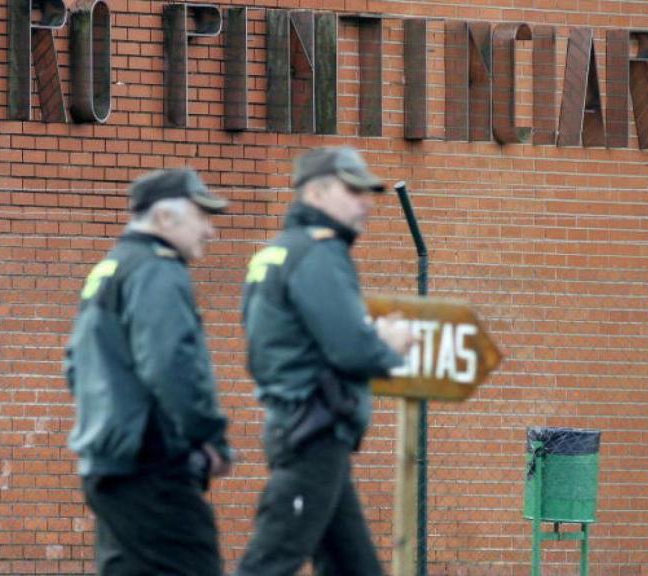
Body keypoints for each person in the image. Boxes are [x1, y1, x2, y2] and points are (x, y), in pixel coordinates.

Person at [234, 146, 416, 576]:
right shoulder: (320, 254)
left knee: (354, 567)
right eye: (353, 191)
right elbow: (351, 347)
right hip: (314, 430)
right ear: (316, 193)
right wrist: (388, 343)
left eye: (368, 192)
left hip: (298, 425)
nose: (366, 202)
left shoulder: (275, 253)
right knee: (270, 562)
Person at [65, 168, 233, 576]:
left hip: (109, 464)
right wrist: (207, 436)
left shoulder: (112, 268)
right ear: (164, 218)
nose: (210, 232)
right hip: (152, 465)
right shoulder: (157, 270)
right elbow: (171, 362)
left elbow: (75, 365)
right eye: (202, 216)